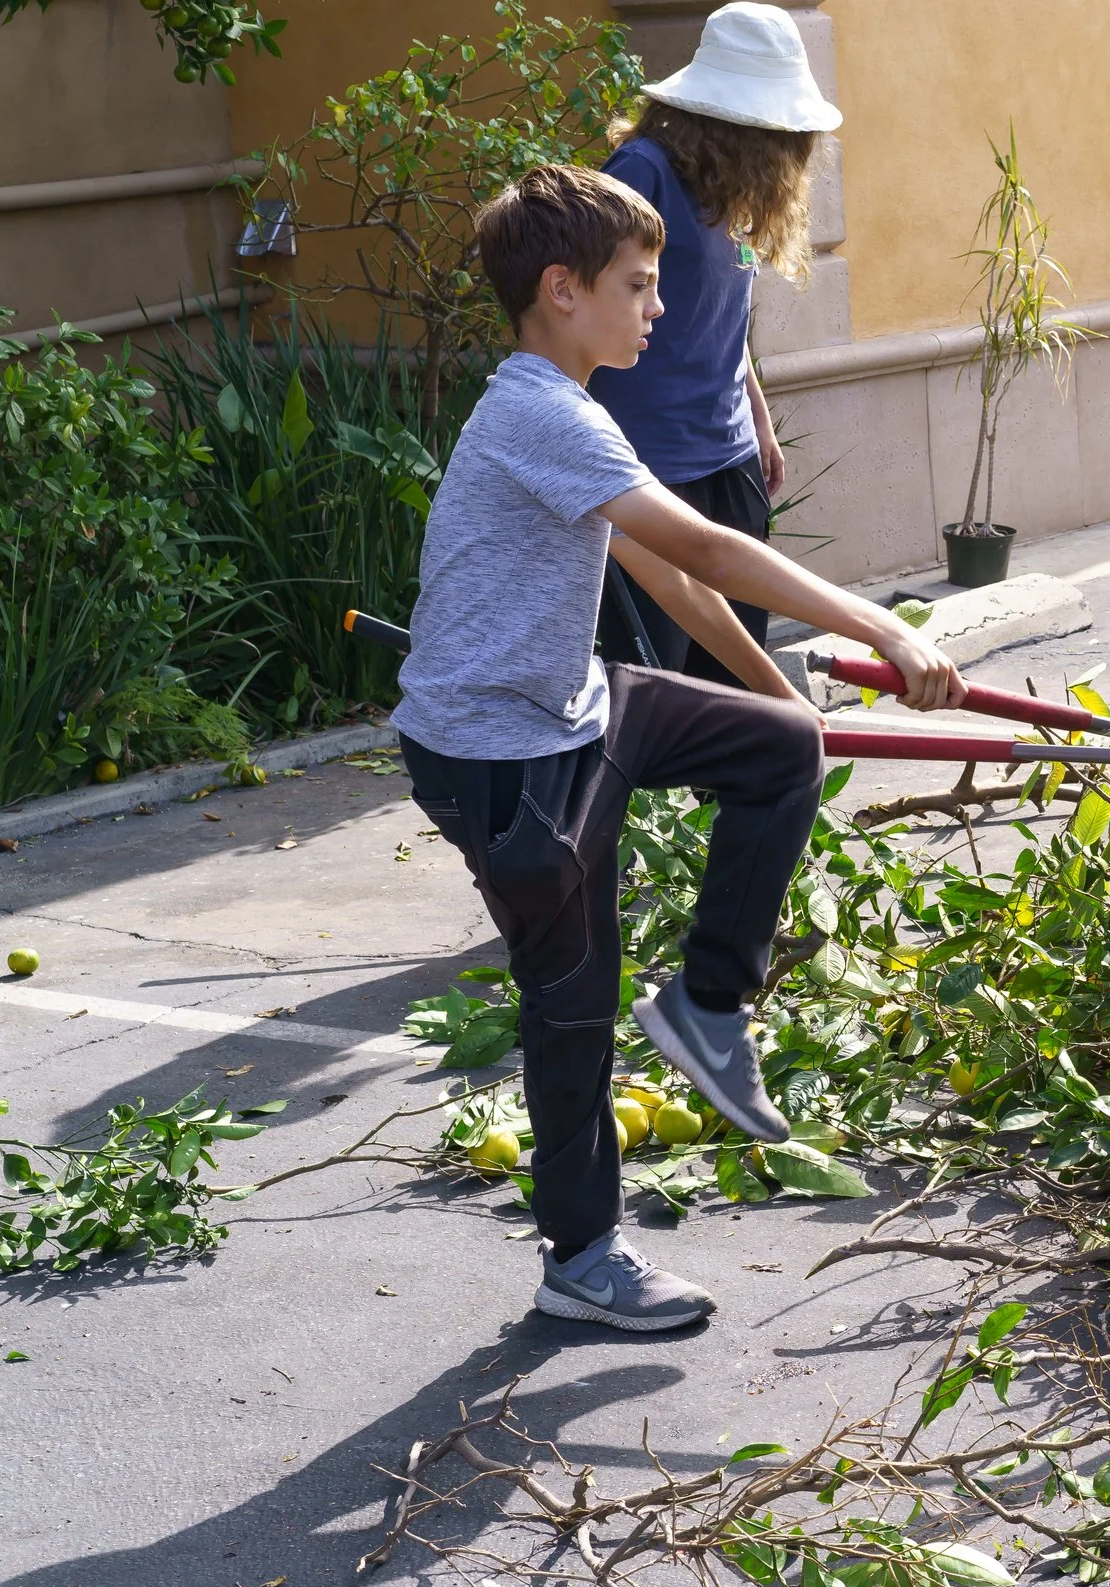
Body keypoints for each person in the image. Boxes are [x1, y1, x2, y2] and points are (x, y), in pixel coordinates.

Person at [394, 163, 964, 1331]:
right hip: (499, 759)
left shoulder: (573, 404)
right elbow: (706, 547)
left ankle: (709, 1006)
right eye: (638, 286)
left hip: (574, 702)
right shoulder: (538, 413)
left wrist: (782, 702)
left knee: (779, 754)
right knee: (572, 1003)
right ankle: (582, 1259)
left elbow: (668, 576)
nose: (658, 309)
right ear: (562, 289)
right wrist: (885, 623)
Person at [588, 2, 839, 684]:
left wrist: (759, 419)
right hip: (650, 465)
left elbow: (725, 314)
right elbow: (587, 310)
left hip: (729, 459)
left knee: (734, 689)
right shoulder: (642, 172)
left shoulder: (735, 186)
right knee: (657, 694)